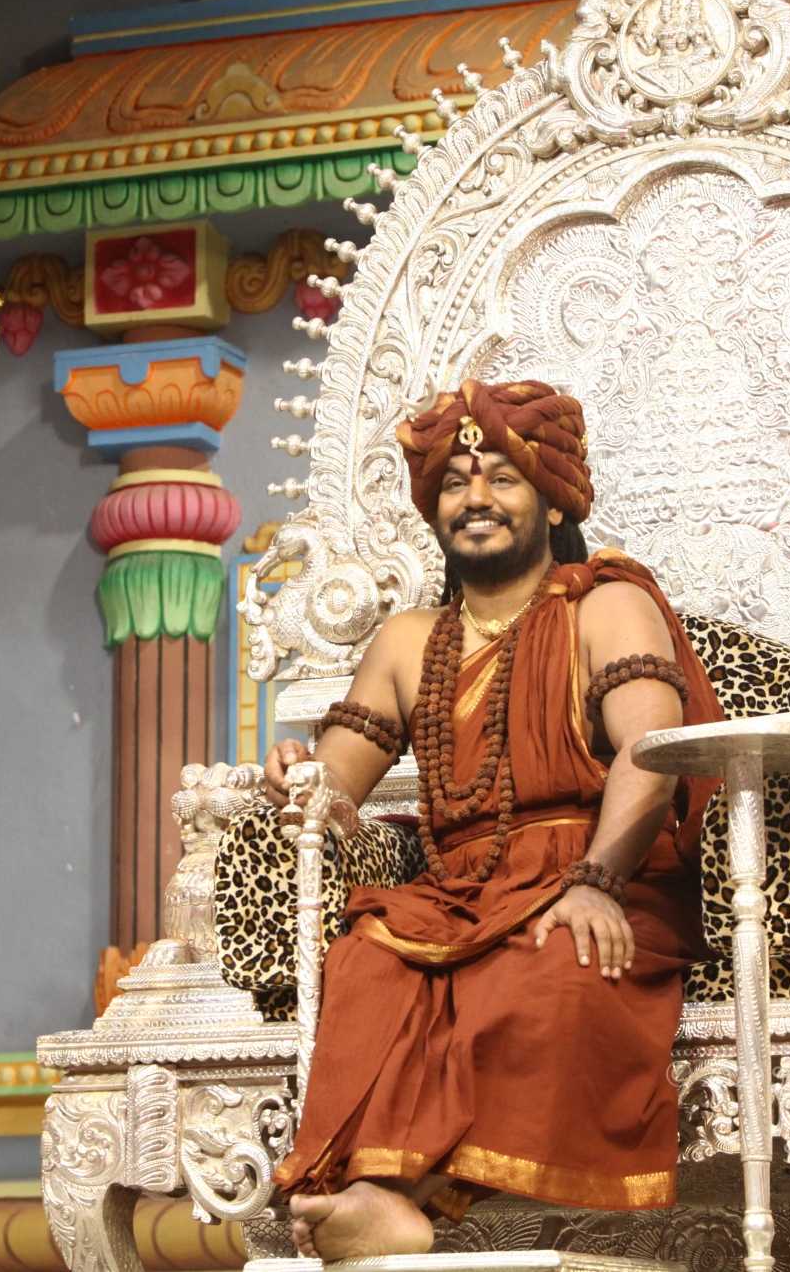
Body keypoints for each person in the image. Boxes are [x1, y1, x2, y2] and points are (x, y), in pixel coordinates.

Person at [260, 378, 725, 1260]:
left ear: (553, 502)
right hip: (461, 892)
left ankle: (401, 1198)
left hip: (602, 879)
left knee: (548, 966)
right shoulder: (409, 641)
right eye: (453, 482)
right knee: (368, 957)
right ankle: (377, 1194)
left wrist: (596, 882)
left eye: (502, 478)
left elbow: (651, 753)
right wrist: (298, 778)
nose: (475, 498)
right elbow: (336, 790)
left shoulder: (607, 604)